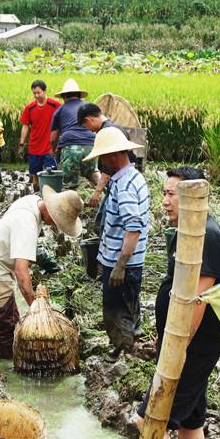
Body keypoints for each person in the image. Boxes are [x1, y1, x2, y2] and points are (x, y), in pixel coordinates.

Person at [136, 166, 220, 439]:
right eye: (164, 193)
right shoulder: (186, 231)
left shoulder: (208, 236)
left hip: (192, 348)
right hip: (182, 343)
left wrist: (176, 347)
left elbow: (197, 300)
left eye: (171, 194)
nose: (165, 201)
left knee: (150, 421)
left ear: (192, 196)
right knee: (191, 426)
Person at [0, 186, 83, 359]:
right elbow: (21, 271)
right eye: (57, 221)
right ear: (50, 211)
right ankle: (5, 373)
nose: (55, 225)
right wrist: (36, 309)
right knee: (9, 328)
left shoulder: (31, 201)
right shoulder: (27, 223)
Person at [83, 127, 149, 361]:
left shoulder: (126, 186)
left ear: (112, 157)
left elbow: (133, 228)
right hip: (120, 258)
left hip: (123, 263)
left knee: (116, 310)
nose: (101, 165)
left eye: (102, 159)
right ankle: (128, 343)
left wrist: (120, 265)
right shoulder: (129, 178)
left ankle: (123, 351)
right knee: (127, 306)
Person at [78, 102, 136, 236]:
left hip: (118, 182)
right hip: (119, 181)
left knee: (103, 224)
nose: (89, 130)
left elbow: (108, 167)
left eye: (86, 126)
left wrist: (97, 192)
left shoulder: (107, 132)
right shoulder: (114, 127)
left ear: (88, 120)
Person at [50, 79, 99, 189]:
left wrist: (53, 150)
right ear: (79, 95)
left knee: (69, 184)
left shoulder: (60, 110)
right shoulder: (89, 107)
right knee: (92, 172)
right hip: (91, 146)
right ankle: (104, 190)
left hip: (70, 148)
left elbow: (53, 138)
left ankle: (71, 203)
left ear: (64, 97)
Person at [19, 80, 61, 192]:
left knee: (50, 174)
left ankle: (51, 197)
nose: (36, 96)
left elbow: (63, 122)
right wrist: (21, 143)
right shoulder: (30, 108)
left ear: (45, 91)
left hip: (50, 148)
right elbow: (25, 126)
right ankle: (36, 195)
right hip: (34, 147)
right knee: (35, 176)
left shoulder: (55, 105)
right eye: (34, 93)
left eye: (39, 93)